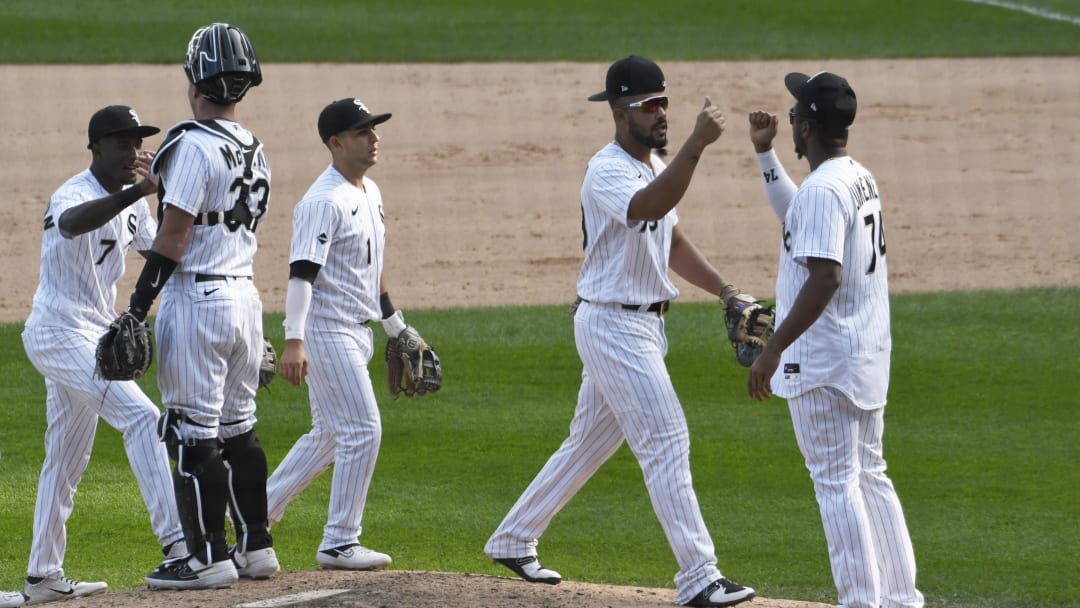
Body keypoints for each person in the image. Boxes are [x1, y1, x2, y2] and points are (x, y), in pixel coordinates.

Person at [485, 56, 755, 608]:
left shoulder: (656, 164)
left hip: (642, 326)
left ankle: (513, 537)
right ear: (617, 112)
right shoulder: (606, 169)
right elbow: (647, 209)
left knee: (590, 441)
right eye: (648, 106)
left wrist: (726, 291)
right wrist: (697, 145)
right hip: (613, 325)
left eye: (664, 103)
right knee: (666, 439)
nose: (660, 114)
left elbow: (672, 240)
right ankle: (700, 576)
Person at [745, 71, 924, 608]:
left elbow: (825, 275)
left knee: (835, 485)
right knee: (870, 475)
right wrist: (765, 155)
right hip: (865, 355)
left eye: (796, 114)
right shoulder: (854, 177)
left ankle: (861, 602)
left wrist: (772, 348)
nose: (791, 119)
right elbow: (801, 220)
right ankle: (899, 599)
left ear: (807, 126)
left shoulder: (825, 189)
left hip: (824, 363)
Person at [112, 23, 278, 590]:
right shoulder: (253, 145)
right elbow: (211, 199)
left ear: (193, 80)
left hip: (199, 299)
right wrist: (164, 173)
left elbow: (175, 237)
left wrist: (136, 307)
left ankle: (206, 558)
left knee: (189, 433)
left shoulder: (190, 144)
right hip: (246, 299)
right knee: (240, 431)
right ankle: (256, 546)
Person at [19, 105, 186, 605]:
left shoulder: (136, 206)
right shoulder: (72, 193)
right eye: (120, 143)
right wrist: (138, 190)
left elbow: (161, 252)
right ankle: (178, 545)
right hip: (56, 331)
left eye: (136, 143)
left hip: (92, 336)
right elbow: (71, 225)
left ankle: (42, 576)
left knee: (66, 460)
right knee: (142, 416)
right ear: (95, 148)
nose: (131, 152)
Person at [265, 98, 434, 570]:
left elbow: (372, 271)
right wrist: (294, 340)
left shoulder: (370, 191)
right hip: (326, 329)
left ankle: (253, 519)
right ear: (336, 143)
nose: (374, 137)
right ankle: (340, 540)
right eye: (363, 132)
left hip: (355, 331)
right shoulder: (323, 201)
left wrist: (396, 328)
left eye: (374, 129)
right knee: (364, 430)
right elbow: (301, 274)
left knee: (330, 437)